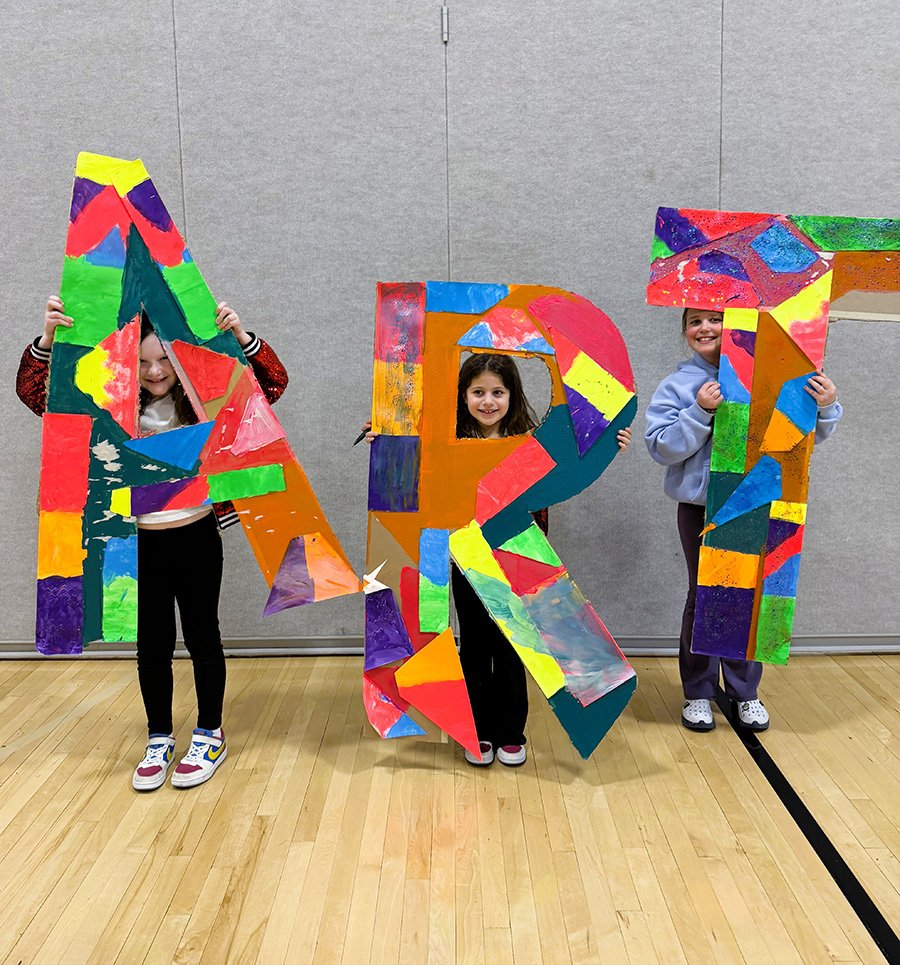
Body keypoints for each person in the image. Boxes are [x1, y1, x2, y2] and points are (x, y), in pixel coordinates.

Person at [17, 295, 288, 790]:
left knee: (204, 635)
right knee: (152, 645)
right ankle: (159, 736)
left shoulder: (206, 395)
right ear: (125, 362)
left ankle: (210, 732)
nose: (154, 370)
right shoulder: (106, 403)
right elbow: (38, 396)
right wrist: (48, 342)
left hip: (198, 536)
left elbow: (272, 384)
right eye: (141, 361)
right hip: (137, 544)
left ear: (180, 357)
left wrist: (242, 339)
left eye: (163, 358)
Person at [366, 352, 631, 767]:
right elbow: (416, 472)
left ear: (512, 396)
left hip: (515, 555)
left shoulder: (530, 441)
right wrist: (385, 440)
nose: (487, 401)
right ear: (463, 396)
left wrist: (607, 444)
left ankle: (510, 731)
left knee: (512, 645)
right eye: (477, 392)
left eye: (497, 392)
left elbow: (568, 469)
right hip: (465, 556)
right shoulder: (449, 440)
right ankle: (480, 730)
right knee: (473, 644)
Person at [644, 307, 842, 733]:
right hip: (700, 509)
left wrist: (825, 408)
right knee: (704, 596)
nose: (705, 328)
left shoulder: (771, 373)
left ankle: (743, 692)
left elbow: (801, 438)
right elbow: (661, 447)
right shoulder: (679, 385)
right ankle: (698, 692)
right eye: (694, 321)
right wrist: (699, 412)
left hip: (755, 501)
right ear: (685, 332)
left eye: (714, 319)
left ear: (734, 324)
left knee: (747, 597)